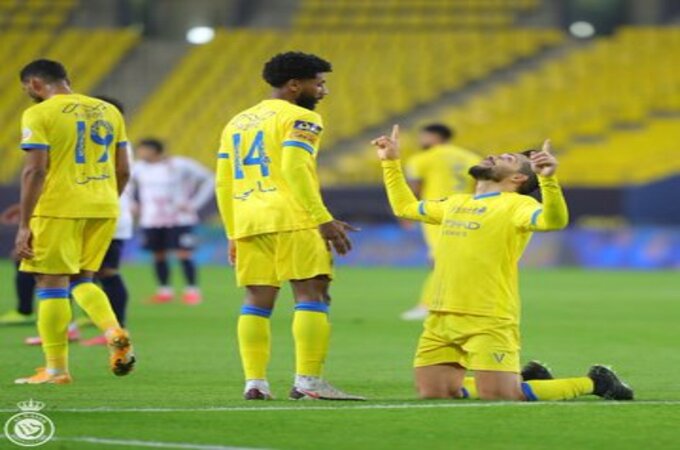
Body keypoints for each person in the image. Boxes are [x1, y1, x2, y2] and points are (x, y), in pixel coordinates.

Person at [372, 125, 633, 401]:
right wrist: (390, 162)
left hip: (488, 316)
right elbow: (405, 208)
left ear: (518, 177)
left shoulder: (517, 205)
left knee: (500, 396)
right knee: (436, 393)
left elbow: (553, 221)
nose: (494, 156)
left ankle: (594, 382)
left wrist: (548, 181)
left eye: (507, 158)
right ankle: (518, 378)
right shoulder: (455, 202)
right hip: (440, 315)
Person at [216, 51, 363, 400]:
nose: (324, 91)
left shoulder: (237, 121)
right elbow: (295, 168)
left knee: (256, 299)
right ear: (295, 85)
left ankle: (255, 383)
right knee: (313, 294)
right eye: (319, 83)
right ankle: (309, 381)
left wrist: (232, 232)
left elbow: (222, 182)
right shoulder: (301, 118)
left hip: (250, 218)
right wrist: (322, 219)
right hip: (293, 217)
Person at [14, 59, 135, 384]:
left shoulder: (39, 114)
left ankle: (56, 369)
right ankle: (113, 331)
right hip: (104, 204)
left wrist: (25, 224)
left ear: (36, 84)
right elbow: (123, 169)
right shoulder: (109, 111)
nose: (29, 94)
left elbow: (35, 170)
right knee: (84, 279)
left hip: (58, 207)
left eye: (28, 89)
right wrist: (107, 200)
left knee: (50, 284)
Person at [401, 123, 479, 321]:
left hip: (437, 213)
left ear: (434, 137)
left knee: (439, 259)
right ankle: (459, 304)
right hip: (470, 212)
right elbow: (480, 187)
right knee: (457, 260)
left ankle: (429, 305)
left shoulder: (422, 158)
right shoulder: (471, 158)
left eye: (423, 136)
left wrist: (406, 213)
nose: (421, 140)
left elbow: (415, 188)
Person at [131, 138, 214, 305]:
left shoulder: (180, 164)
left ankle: (192, 291)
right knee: (158, 254)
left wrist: (194, 204)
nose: (139, 153)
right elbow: (126, 184)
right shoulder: (138, 168)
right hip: (151, 219)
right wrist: (132, 204)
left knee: (184, 253)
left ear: (153, 150)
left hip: (180, 219)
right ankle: (164, 291)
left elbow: (210, 178)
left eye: (142, 150)